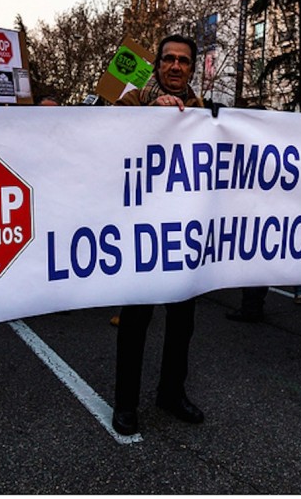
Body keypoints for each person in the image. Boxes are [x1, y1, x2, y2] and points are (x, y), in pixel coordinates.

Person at [111, 34, 205, 436]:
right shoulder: (132, 102)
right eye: (168, 59)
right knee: (135, 323)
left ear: (192, 68)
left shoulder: (204, 112)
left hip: (185, 236)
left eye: (184, 61)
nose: (176, 66)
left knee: (182, 324)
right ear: (157, 65)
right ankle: (126, 403)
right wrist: (152, 110)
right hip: (142, 237)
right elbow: (105, 137)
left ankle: (171, 392)